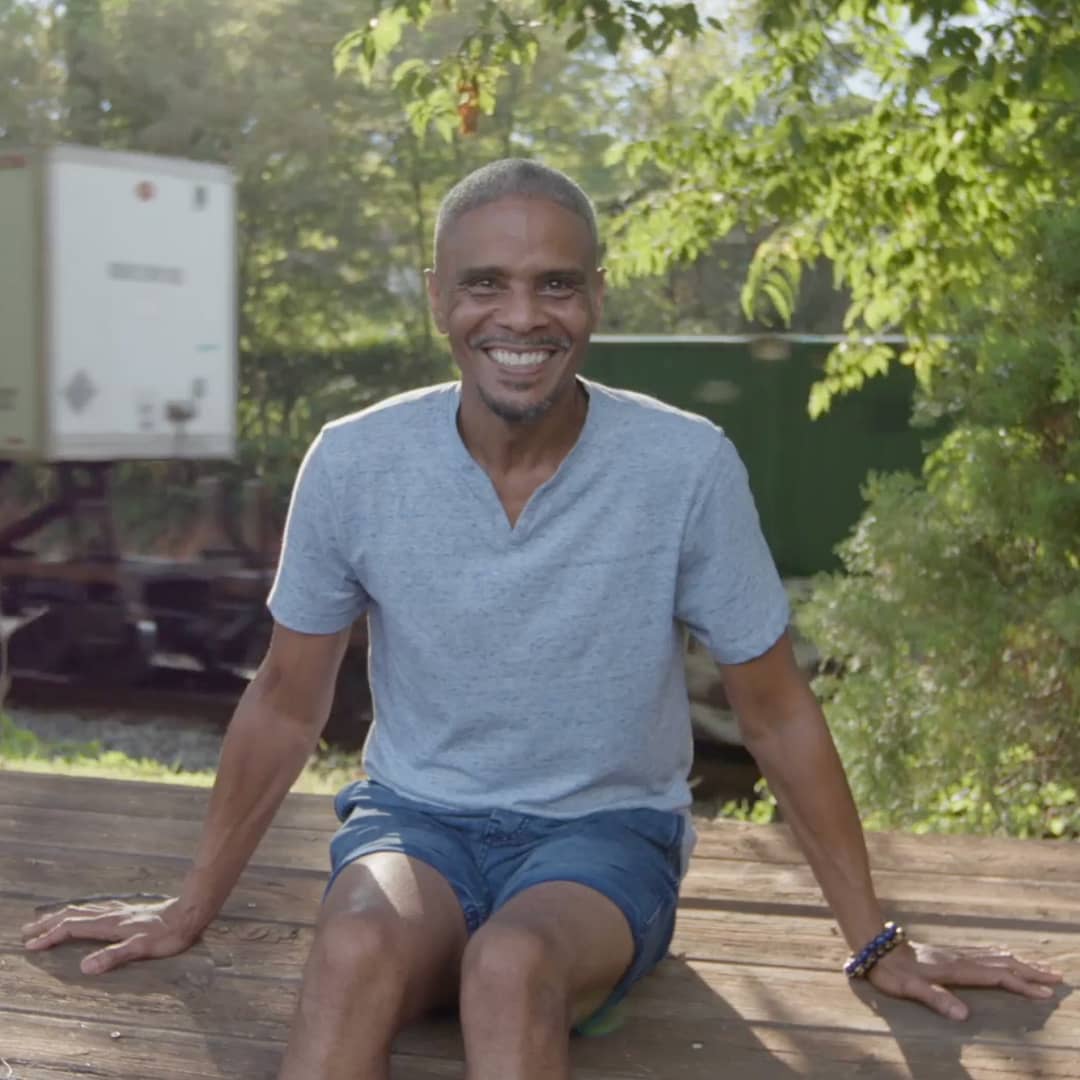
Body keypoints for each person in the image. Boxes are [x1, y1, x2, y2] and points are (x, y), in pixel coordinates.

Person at [22, 160, 1061, 1080]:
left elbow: (779, 710)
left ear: (595, 297)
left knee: (510, 967)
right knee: (350, 949)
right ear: (438, 298)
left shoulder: (684, 465)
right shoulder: (354, 460)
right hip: (413, 827)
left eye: (554, 283)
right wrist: (189, 905)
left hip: (605, 839)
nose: (521, 316)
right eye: (485, 283)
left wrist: (876, 940)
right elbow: (289, 701)